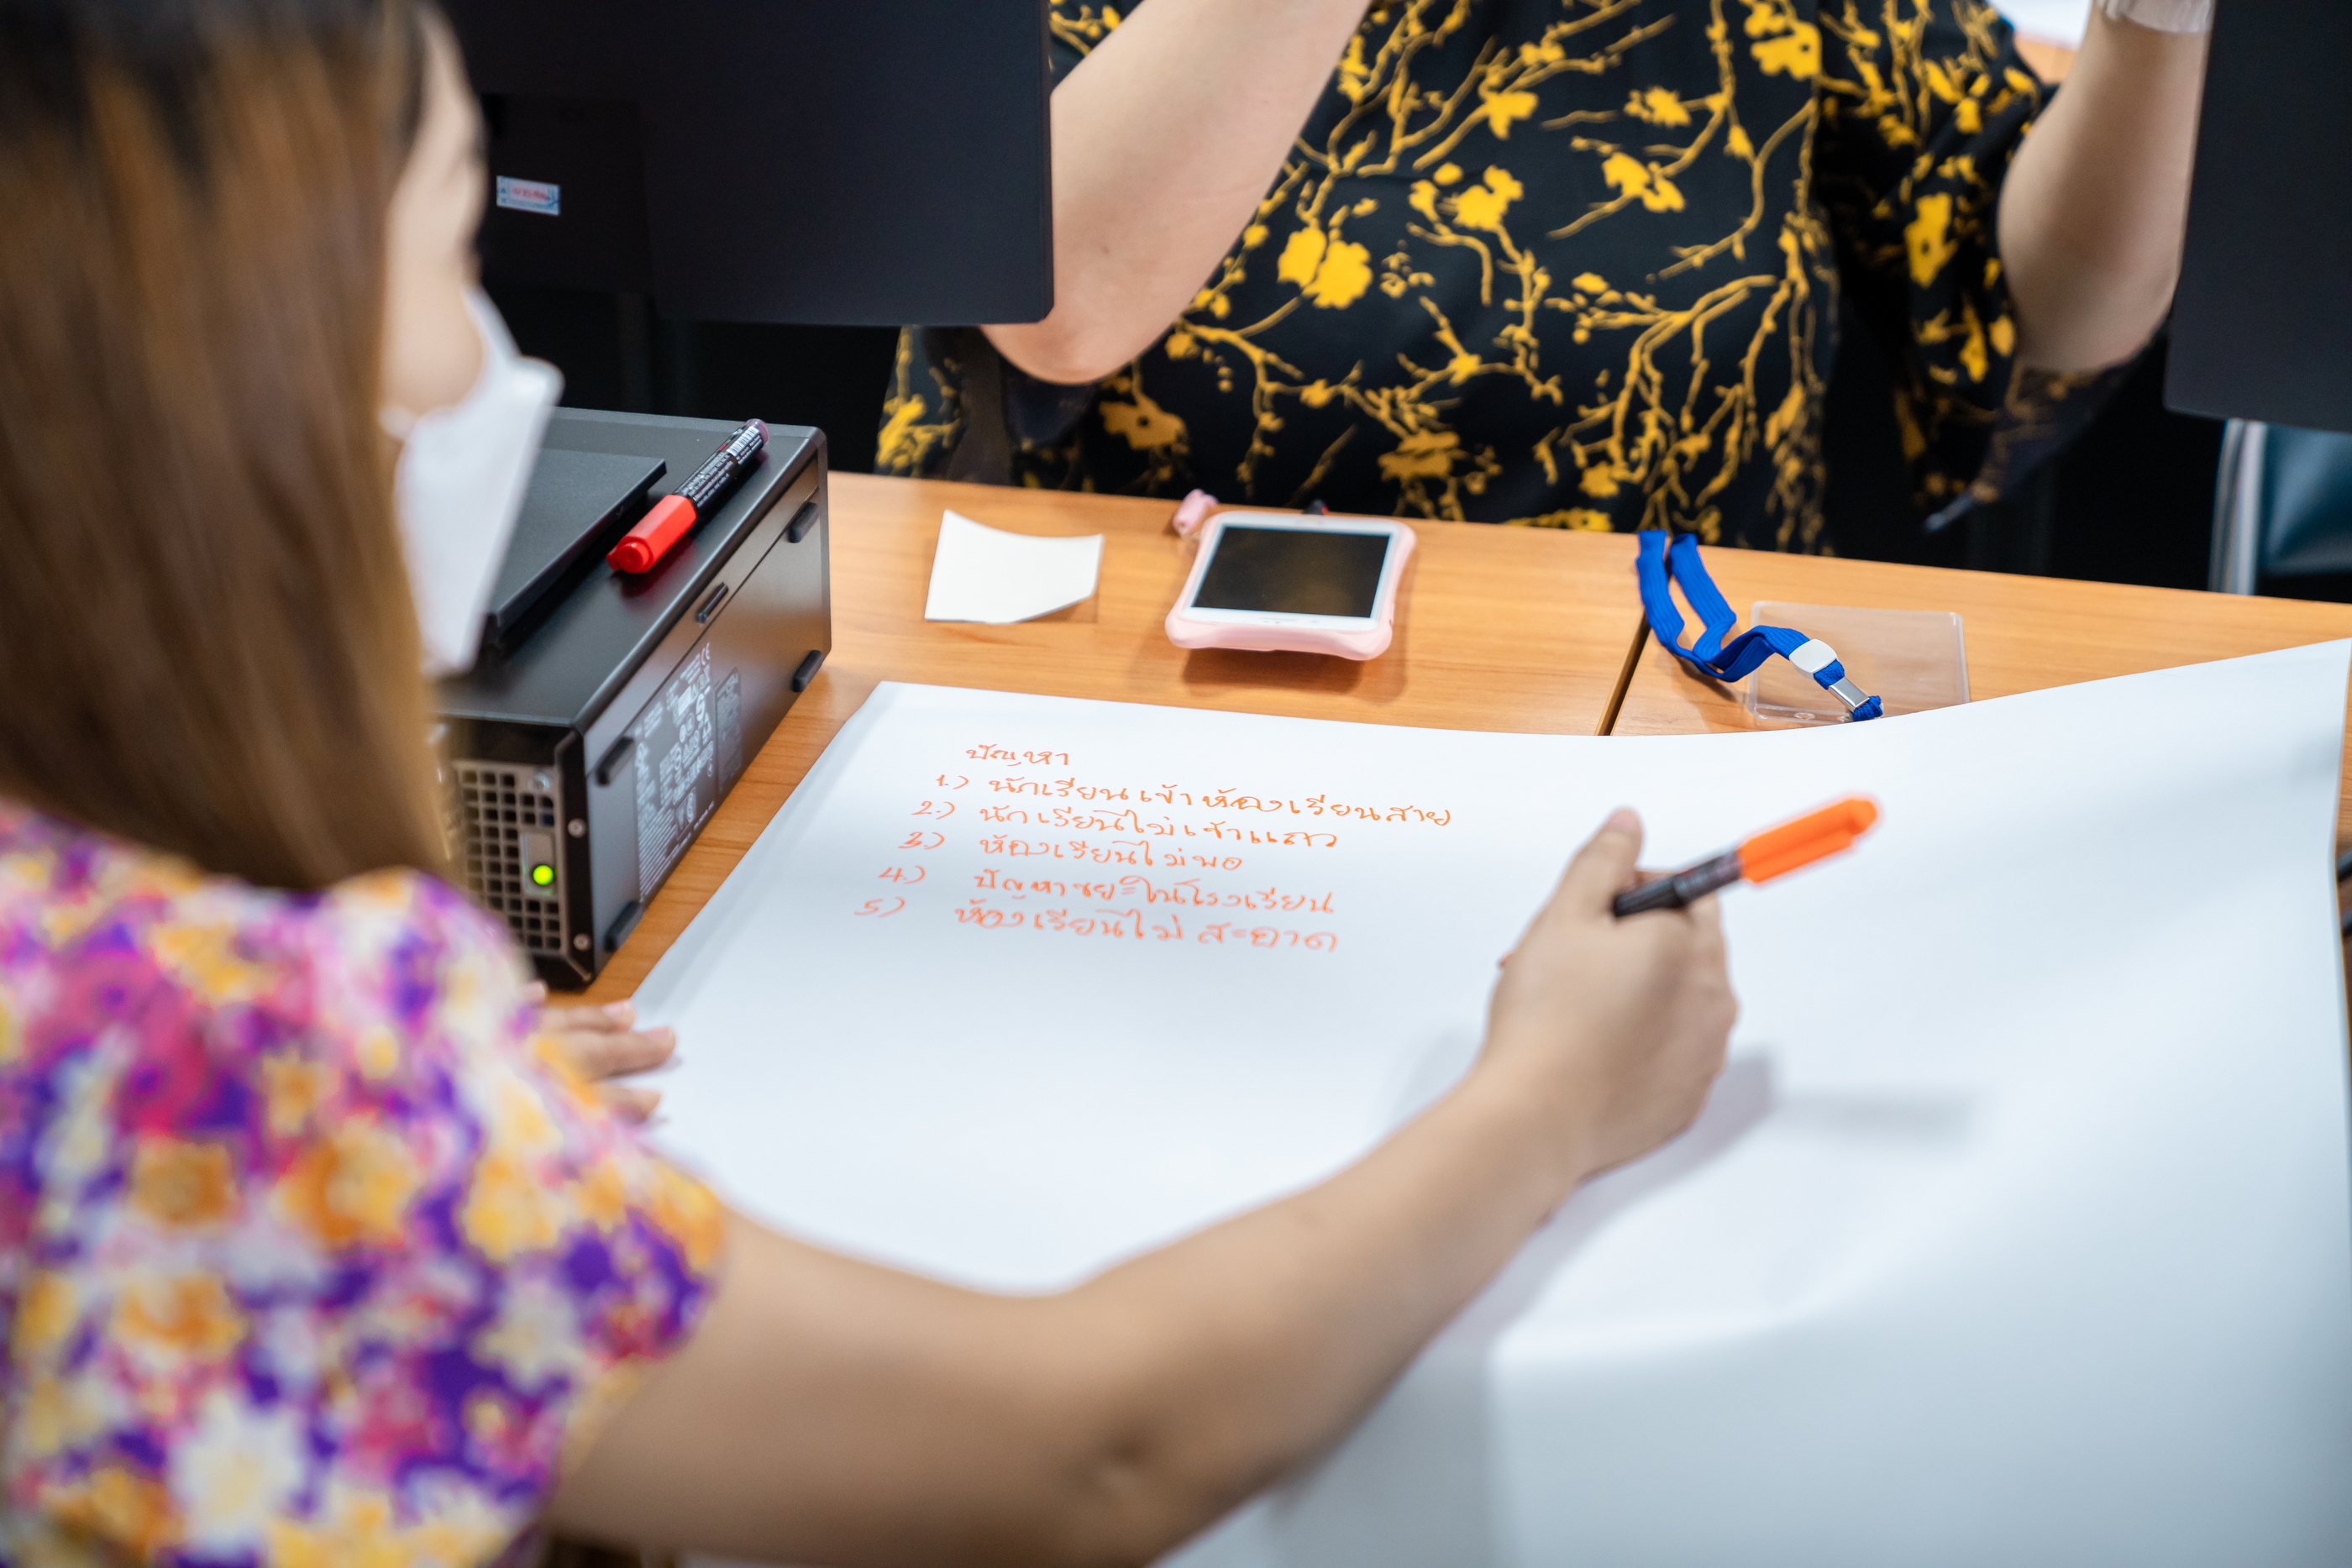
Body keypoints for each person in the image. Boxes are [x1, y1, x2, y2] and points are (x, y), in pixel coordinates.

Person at [0, 3, 1736, 1564]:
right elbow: (1093, 1450)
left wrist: (442, 1120)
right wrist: (1549, 1098)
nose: (488, 351)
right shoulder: (263, 1066)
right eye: (461, 237)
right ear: (252, 354)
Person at [878, 0, 2210, 553]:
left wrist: (2158, 21)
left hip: (1658, 728)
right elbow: (1062, 299)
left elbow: (2038, 314)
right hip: (1120, 744)